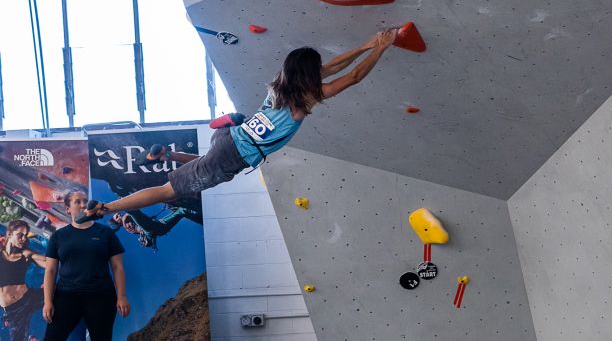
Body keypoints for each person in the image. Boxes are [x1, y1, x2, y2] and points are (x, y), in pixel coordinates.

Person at [80, 28, 398, 220]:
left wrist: (368, 45)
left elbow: (332, 67)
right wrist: (381, 48)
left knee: (197, 174)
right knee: (169, 193)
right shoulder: (306, 99)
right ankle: (107, 208)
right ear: (308, 74)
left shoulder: (281, 83)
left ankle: (187, 144)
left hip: (230, 139)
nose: (321, 71)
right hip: (235, 152)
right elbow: (353, 76)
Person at [43, 190, 131, 341]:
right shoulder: (58, 236)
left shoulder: (106, 233)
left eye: (85, 200)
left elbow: (118, 267)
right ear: (68, 208)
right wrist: (48, 301)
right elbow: (50, 270)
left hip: (101, 296)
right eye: (77, 201)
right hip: (66, 297)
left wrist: (122, 296)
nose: (83, 204)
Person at [0, 219, 47, 341]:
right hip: (13, 311)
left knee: (63, 294)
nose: (23, 238)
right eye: (19, 234)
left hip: (29, 297)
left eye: (25, 235)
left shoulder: (25, 254)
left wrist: (48, 281)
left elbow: (50, 263)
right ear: (9, 234)